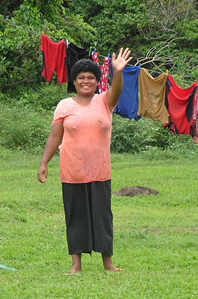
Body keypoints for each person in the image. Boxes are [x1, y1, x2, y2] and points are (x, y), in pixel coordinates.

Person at [37, 48, 132, 273]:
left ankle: (107, 263)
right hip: (72, 171)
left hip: (100, 171)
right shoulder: (64, 106)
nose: (86, 81)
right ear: (75, 81)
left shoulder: (105, 101)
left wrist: (117, 72)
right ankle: (76, 264)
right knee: (75, 216)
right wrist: (43, 163)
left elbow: (116, 91)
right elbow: (55, 136)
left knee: (102, 217)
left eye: (91, 77)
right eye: (81, 78)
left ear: (97, 81)